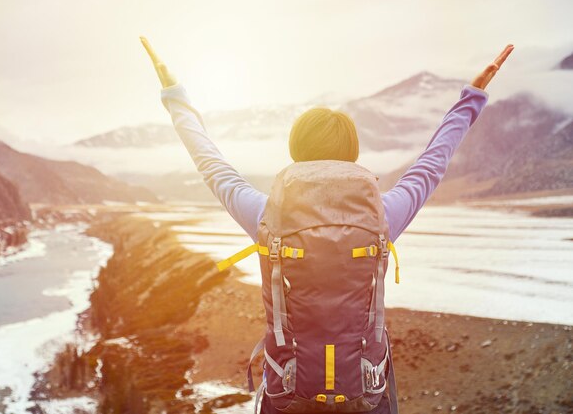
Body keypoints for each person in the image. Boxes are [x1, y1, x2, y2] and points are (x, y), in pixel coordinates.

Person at [140, 37, 514, 413]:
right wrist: (472, 97)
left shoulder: (268, 217)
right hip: (365, 394)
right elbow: (432, 165)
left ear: (295, 151)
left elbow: (211, 163)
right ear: (352, 153)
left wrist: (174, 94)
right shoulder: (380, 217)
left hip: (288, 395)